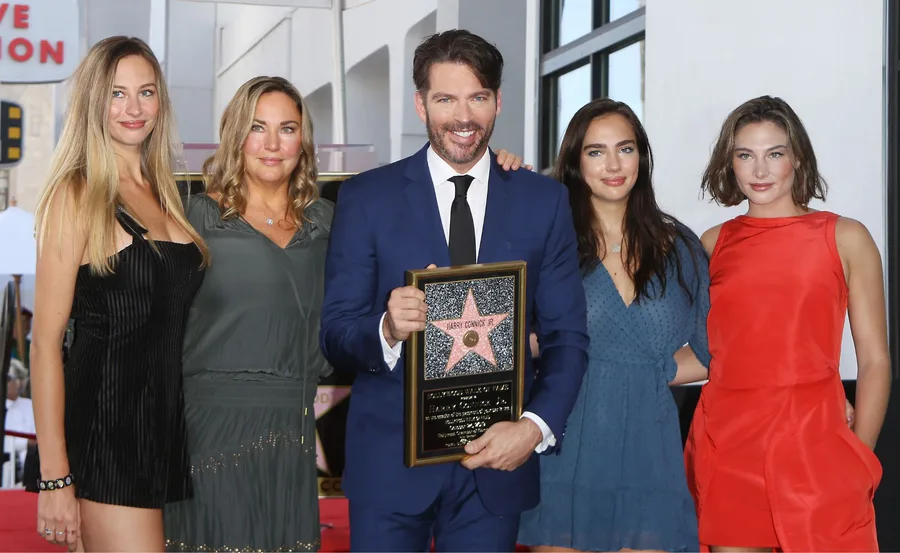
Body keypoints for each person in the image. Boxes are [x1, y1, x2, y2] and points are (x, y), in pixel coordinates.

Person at [162, 75, 528, 552]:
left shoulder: (330, 221)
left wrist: (497, 176)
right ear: (235, 135)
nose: (272, 144)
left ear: (303, 140)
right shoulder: (190, 221)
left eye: (287, 128)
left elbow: (415, 248)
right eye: (257, 127)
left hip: (291, 430)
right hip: (210, 431)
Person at [319, 29, 589, 552]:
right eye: (446, 99)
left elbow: (568, 338)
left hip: (496, 466)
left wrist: (533, 428)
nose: (464, 117)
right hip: (390, 468)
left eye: (477, 97)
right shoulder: (366, 198)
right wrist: (386, 329)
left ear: (498, 101)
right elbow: (336, 334)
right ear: (421, 104)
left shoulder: (543, 201)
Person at [684, 95, 890, 551]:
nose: (760, 170)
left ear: (796, 157)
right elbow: (710, 354)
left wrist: (860, 455)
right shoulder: (713, 244)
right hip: (728, 447)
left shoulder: (846, 237)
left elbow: (875, 360)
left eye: (774, 153)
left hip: (815, 449)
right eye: (745, 155)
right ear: (730, 163)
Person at [30, 36, 208, 551]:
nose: (134, 108)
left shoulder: (164, 191)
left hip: (162, 429)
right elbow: (45, 344)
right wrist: (55, 478)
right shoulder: (76, 194)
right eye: (116, 93)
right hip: (105, 431)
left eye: (146, 92)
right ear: (93, 101)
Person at [518, 99, 711, 552]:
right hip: (565, 440)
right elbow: (511, 339)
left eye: (625, 148)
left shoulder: (681, 248)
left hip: (651, 450)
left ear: (641, 156)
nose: (613, 165)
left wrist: (651, 370)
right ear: (575, 161)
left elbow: (712, 353)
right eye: (596, 151)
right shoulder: (548, 242)